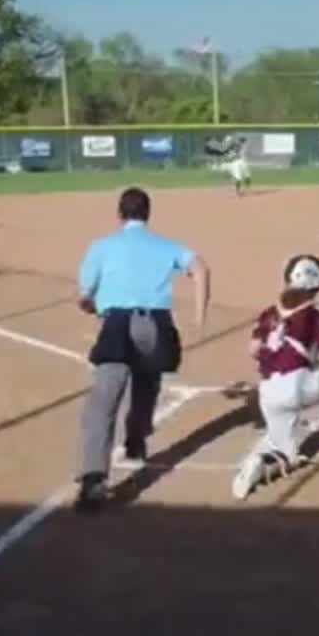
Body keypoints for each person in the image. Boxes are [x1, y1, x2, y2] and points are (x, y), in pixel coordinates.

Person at [73, 188, 210, 512]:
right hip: (157, 325)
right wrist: (198, 318)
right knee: (147, 385)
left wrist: (93, 308)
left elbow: (83, 295)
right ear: (147, 214)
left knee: (103, 401)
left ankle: (93, 480)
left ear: (120, 214)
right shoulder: (167, 245)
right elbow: (201, 268)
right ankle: (136, 440)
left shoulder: (102, 246)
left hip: (118, 323)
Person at [233, 254, 319, 500]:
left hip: (268, 391)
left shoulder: (269, 313)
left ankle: (258, 463)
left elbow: (253, 351)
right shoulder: (315, 313)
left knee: (285, 452)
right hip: (296, 386)